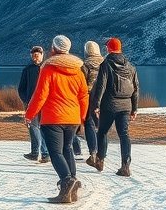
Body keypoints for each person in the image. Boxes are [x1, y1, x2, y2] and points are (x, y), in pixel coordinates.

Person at [24, 34, 89, 204]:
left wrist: (29, 114)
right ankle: (72, 185)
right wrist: (82, 117)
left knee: (55, 152)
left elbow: (40, 95)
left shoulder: (48, 69)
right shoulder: (78, 70)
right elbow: (83, 96)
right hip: (73, 118)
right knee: (67, 148)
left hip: (53, 117)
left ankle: (67, 182)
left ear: (53, 49)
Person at [89, 37, 139, 176]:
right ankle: (125, 165)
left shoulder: (106, 64)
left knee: (103, 132)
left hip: (109, 105)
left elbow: (101, 85)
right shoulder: (130, 66)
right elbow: (136, 88)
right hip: (126, 105)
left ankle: (100, 160)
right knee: (124, 134)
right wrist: (134, 108)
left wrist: (96, 105)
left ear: (109, 48)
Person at [18, 45, 51, 163]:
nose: (35, 56)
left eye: (37, 54)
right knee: (34, 127)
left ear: (42, 55)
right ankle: (41, 153)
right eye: (33, 55)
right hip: (31, 103)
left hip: (46, 103)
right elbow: (21, 88)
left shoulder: (48, 68)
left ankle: (40, 153)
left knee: (39, 127)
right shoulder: (27, 70)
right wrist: (26, 100)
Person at [80, 40, 105, 160]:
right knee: (102, 125)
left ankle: (93, 151)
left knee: (89, 123)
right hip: (104, 97)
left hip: (89, 96)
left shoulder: (84, 65)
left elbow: (82, 83)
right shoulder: (106, 63)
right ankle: (102, 153)